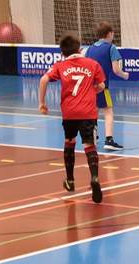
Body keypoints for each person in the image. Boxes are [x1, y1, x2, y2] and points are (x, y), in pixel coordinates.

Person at [39, 33, 105, 203]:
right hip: (88, 112)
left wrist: (42, 103)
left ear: (62, 53)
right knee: (89, 145)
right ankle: (95, 177)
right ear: (80, 49)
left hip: (69, 112)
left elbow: (44, 79)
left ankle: (70, 180)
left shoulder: (60, 65)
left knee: (69, 141)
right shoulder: (93, 64)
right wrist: (92, 91)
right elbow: (101, 85)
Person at [84, 21, 129, 150]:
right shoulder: (111, 48)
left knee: (94, 110)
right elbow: (116, 70)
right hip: (103, 86)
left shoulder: (90, 49)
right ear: (109, 34)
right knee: (108, 110)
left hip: (90, 86)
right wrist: (124, 75)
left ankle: (93, 136)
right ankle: (109, 140)